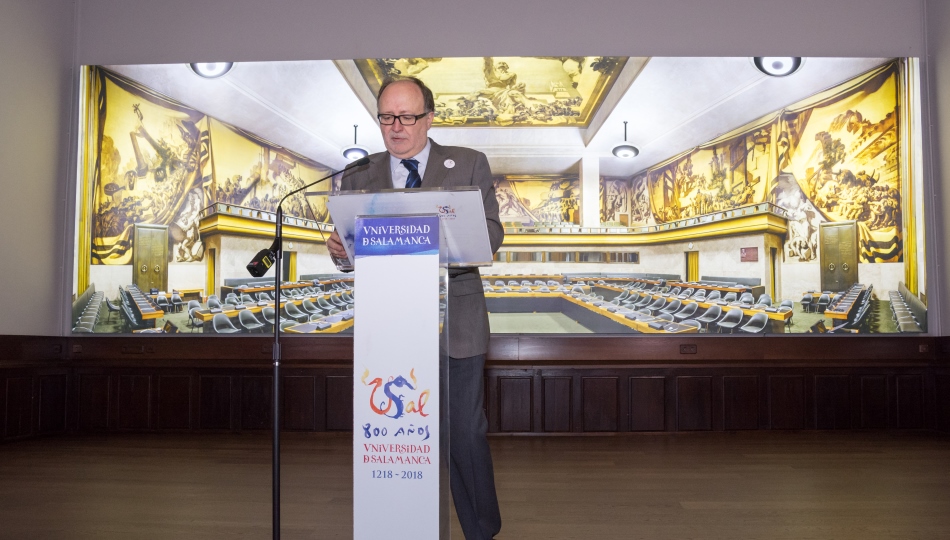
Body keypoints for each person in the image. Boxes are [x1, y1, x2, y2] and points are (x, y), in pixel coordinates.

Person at [326, 77, 503, 540]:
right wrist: (343, 252)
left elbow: (492, 236)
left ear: (429, 117)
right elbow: (351, 250)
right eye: (386, 117)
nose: (395, 126)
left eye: (406, 116)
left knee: (464, 434)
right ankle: (398, 527)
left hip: (456, 323)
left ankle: (481, 532)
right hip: (388, 333)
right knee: (395, 433)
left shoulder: (467, 164)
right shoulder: (361, 173)